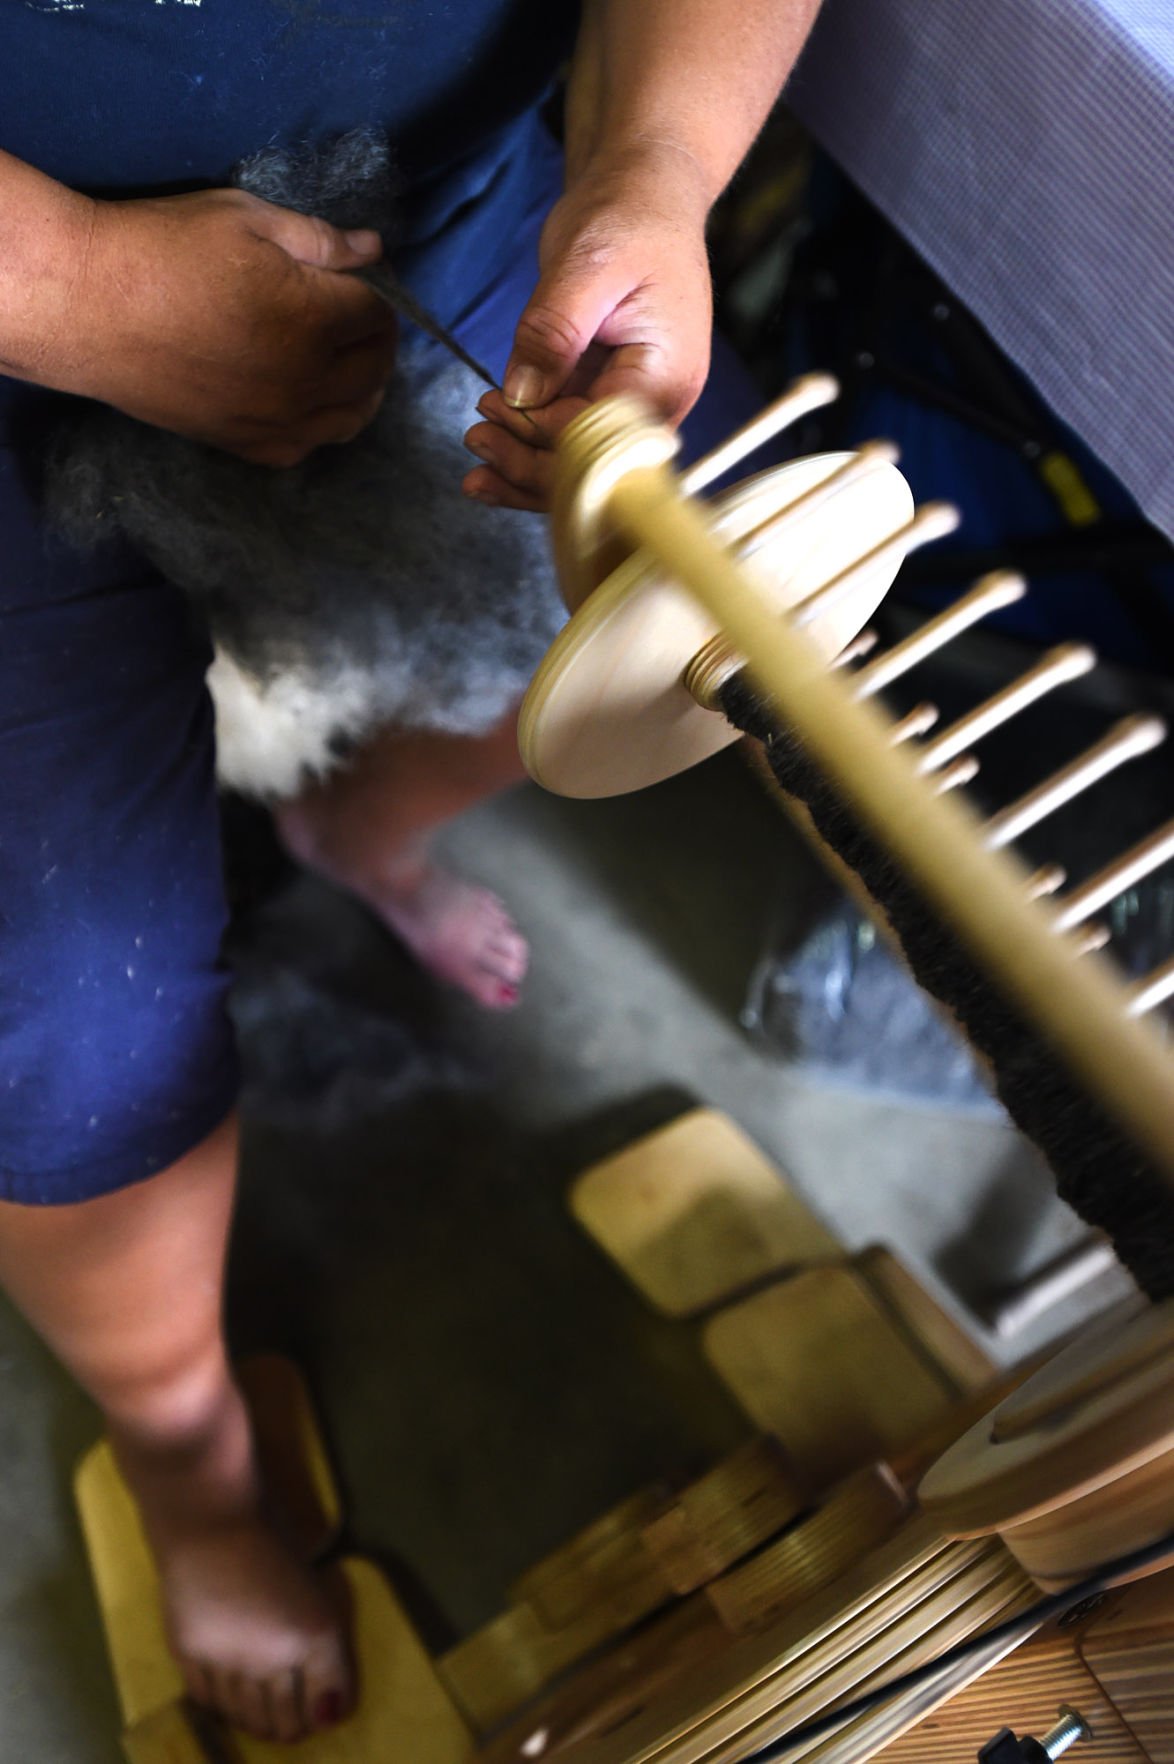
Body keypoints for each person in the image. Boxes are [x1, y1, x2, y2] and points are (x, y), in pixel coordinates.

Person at [0, 0, 821, 1744]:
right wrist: (71, 285)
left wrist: (653, 162)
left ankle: (363, 827)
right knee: (68, 1015)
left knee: (705, 632)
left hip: (442, 202)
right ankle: (191, 1459)